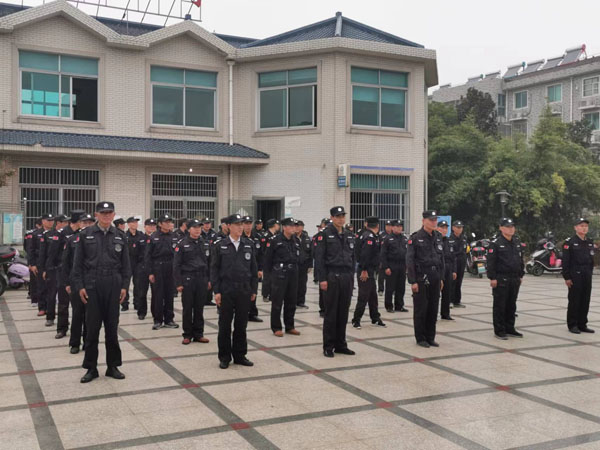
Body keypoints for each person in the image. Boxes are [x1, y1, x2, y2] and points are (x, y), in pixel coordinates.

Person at [72, 202, 131, 383]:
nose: (106, 215)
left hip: (113, 284)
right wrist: (80, 286)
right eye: (102, 213)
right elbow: (77, 264)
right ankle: (91, 368)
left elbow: (126, 265)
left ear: (114, 215)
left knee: (112, 329)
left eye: (109, 212)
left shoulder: (120, 235)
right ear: (96, 214)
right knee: (92, 329)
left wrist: (124, 287)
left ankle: (113, 366)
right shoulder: (85, 235)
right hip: (92, 284)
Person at [211, 214, 258, 369]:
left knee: (241, 324)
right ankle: (224, 357)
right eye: (237, 224)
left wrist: (253, 289)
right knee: (225, 325)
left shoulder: (248, 244)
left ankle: (240, 355)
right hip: (226, 290)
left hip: (244, 290)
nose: (240, 227)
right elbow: (214, 270)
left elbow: (253, 269)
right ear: (229, 226)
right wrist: (217, 291)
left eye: (242, 224)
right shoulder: (220, 245)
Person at [314, 206, 356, 358]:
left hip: (346, 276)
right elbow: (319, 259)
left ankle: (341, 345)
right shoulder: (324, 235)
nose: (341, 219)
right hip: (331, 276)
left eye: (342, 216)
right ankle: (329, 346)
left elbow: (353, 257)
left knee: (343, 312)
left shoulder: (349, 235)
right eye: (338, 216)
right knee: (331, 313)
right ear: (332, 218)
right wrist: (322, 279)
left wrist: (352, 276)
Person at [406, 210, 445, 348]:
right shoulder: (416, 238)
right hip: (421, 277)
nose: (434, 222)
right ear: (423, 221)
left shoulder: (438, 237)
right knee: (421, 309)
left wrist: (441, 278)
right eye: (431, 220)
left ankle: (430, 337)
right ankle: (421, 338)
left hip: (435, 276)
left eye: (435, 220)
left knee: (433, 308)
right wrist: (413, 281)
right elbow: (410, 260)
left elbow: (441, 259)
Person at [173, 219, 211, 345]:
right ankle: (187, 334)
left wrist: (209, 279)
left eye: (199, 227)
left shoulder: (205, 243)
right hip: (188, 279)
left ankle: (199, 334)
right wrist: (178, 283)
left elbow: (210, 263)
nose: (197, 230)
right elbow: (176, 265)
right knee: (188, 308)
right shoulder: (182, 244)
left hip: (202, 278)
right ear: (189, 229)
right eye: (195, 228)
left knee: (199, 308)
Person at [486, 217, 525, 340]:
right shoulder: (496, 243)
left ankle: (510, 328)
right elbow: (491, 262)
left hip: (514, 278)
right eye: (508, 227)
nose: (511, 229)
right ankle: (499, 330)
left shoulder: (516, 242)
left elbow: (520, 259)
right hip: (501, 278)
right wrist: (492, 278)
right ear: (501, 228)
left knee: (511, 305)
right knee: (500, 305)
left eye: (512, 226)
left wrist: (521, 274)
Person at [63, 213, 95, 353]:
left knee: (91, 315)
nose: (87, 225)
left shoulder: (98, 239)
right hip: (76, 281)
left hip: (92, 282)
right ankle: (75, 343)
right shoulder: (72, 239)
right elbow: (66, 263)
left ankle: (88, 341)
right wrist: (67, 283)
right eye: (84, 222)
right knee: (77, 313)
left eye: (90, 223)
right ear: (79, 224)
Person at [264, 217, 301, 336]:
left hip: (293, 273)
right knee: (277, 302)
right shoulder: (275, 240)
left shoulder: (296, 240)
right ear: (284, 227)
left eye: (294, 226)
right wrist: (268, 278)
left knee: (291, 301)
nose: (293, 228)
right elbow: (268, 260)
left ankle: (290, 326)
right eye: (291, 226)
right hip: (279, 274)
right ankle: (276, 327)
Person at [45, 212, 80, 337]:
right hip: (63, 271)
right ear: (76, 222)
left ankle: (78, 329)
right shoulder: (61, 233)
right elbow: (52, 253)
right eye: (83, 221)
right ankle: (62, 328)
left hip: (78, 273)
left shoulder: (83, 234)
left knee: (79, 304)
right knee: (63, 302)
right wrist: (49, 270)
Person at [145, 214, 180, 330]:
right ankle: (158, 320)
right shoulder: (153, 237)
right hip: (157, 268)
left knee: (170, 294)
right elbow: (147, 256)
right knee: (158, 295)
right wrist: (150, 272)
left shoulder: (175, 236)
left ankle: (169, 319)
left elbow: (178, 255)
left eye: (170, 222)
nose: (169, 224)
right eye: (166, 222)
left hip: (170, 267)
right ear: (160, 224)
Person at [562, 217, 595, 334]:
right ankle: (572, 324)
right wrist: (567, 277)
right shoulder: (569, 242)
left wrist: (590, 272)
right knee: (574, 300)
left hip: (586, 274)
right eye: (581, 226)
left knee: (585, 300)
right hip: (575, 274)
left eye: (586, 226)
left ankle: (582, 324)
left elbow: (591, 260)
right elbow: (566, 261)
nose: (584, 228)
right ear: (575, 228)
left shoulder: (589, 241)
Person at [352, 216, 386, 329]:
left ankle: (375, 318)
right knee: (363, 296)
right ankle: (356, 320)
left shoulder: (368, 235)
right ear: (377, 225)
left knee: (373, 296)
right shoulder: (369, 237)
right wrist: (364, 270)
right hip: (366, 270)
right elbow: (365, 255)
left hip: (370, 269)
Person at [41, 214, 71, 328]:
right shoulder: (49, 235)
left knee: (64, 297)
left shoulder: (68, 235)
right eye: (65, 222)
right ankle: (50, 317)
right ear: (58, 223)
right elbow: (45, 254)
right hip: (53, 268)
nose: (67, 224)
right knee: (52, 294)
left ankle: (63, 320)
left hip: (64, 269)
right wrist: (44, 269)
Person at [380, 220, 408, 313]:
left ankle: (399, 305)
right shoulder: (387, 239)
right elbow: (383, 254)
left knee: (401, 287)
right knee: (390, 287)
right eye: (397, 226)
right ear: (392, 227)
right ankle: (389, 306)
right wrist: (386, 267)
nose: (399, 228)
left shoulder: (404, 238)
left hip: (402, 265)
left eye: (400, 226)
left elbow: (407, 253)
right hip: (392, 265)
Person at [30, 214, 54, 317]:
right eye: (48, 220)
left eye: (52, 220)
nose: (50, 222)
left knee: (51, 288)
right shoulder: (36, 234)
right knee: (41, 286)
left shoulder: (55, 233)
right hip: (39, 263)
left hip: (50, 263)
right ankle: (42, 308)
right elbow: (31, 250)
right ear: (43, 221)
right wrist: (32, 264)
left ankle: (50, 308)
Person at [243, 216, 263, 322]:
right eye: (246, 223)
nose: (248, 226)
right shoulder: (239, 237)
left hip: (253, 268)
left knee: (253, 291)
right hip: (243, 269)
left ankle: (252, 313)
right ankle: (242, 312)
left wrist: (260, 269)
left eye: (250, 223)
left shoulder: (256, 237)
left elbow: (261, 254)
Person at [134, 219, 156, 320]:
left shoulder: (157, 238)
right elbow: (134, 254)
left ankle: (155, 312)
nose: (151, 227)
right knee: (142, 292)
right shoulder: (140, 238)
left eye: (153, 225)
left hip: (154, 269)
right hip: (142, 269)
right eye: (149, 225)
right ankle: (142, 312)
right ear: (145, 226)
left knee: (156, 293)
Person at [437, 220, 457, 321]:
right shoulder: (435, 240)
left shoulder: (449, 241)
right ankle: (433, 314)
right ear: (437, 228)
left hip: (448, 268)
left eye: (446, 228)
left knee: (447, 292)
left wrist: (454, 270)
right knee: (436, 293)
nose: (444, 230)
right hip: (439, 268)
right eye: (442, 228)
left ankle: (445, 314)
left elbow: (453, 257)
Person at [123, 217, 143, 312]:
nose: (135, 224)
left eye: (136, 222)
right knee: (125, 284)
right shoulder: (124, 235)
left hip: (138, 262)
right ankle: (124, 303)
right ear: (129, 224)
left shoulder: (141, 235)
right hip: (127, 262)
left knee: (138, 284)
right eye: (133, 222)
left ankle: (137, 303)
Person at [448, 220, 467, 308]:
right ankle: (450, 300)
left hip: (461, 262)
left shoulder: (464, 238)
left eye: (461, 227)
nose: (459, 229)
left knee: (459, 282)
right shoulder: (450, 239)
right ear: (453, 228)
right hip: (454, 262)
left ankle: (457, 301)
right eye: (458, 227)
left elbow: (464, 251)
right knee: (452, 282)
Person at [261, 219, 280, 303]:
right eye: (277, 224)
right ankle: (265, 295)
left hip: (274, 261)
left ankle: (272, 294)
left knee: (274, 279)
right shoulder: (265, 236)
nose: (278, 226)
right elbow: (263, 250)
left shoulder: (276, 235)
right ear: (273, 225)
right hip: (267, 261)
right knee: (267, 279)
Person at [24, 219, 41, 306]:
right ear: (37, 225)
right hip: (33, 259)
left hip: (41, 260)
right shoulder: (31, 234)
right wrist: (31, 262)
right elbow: (28, 248)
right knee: (34, 280)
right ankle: (34, 299)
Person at [296, 220, 312, 309]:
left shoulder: (306, 238)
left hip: (304, 265)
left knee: (302, 284)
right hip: (294, 265)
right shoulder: (291, 237)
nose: (297, 228)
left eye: (299, 226)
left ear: (302, 227)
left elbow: (310, 252)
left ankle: (301, 302)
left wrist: (310, 265)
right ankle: (292, 302)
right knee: (293, 284)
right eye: (296, 226)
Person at [377, 220, 392, 294]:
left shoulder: (393, 235)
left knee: (391, 276)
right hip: (382, 258)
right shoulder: (381, 235)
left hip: (391, 258)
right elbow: (378, 248)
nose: (388, 227)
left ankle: (391, 289)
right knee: (381, 276)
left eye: (390, 226)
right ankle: (381, 289)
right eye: (387, 226)